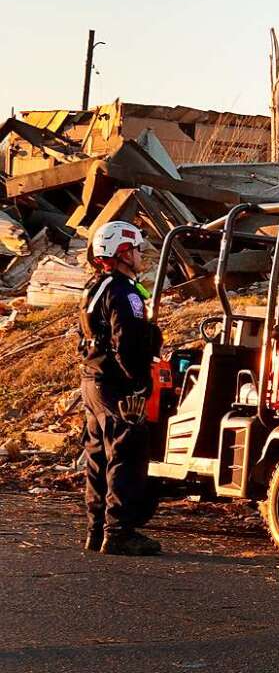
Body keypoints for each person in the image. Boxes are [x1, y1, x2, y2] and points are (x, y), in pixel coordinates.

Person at [79, 221, 162, 556]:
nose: (142, 255)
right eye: (138, 249)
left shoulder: (94, 286)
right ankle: (119, 532)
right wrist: (139, 382)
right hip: (116, 384)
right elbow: (125, 343)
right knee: (126, 455)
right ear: (123, 252)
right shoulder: (125, 293)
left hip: (92, 380)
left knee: (97, 457)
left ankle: (95, 529)